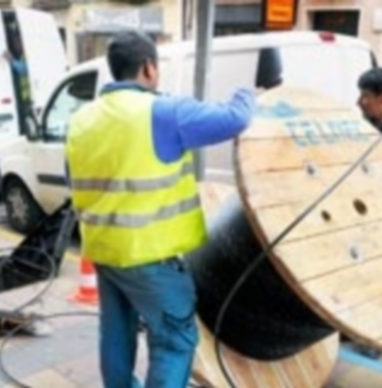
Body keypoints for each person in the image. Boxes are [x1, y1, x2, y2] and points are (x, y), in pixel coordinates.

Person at [65, 30, 257, 388]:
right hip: (150, 258)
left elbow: (74, 179)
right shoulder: (162, 112)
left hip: (104, 251)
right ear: (149, 68)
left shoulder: (82, 120)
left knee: (116, 332)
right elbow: (236, 118)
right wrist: (248, 92)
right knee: (174, 342)